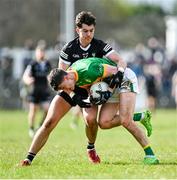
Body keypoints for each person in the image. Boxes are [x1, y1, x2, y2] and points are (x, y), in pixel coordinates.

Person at [20, 11, 153, 166]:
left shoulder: (100, 45)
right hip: (69, 88)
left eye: (91, 31)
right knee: (49, 122)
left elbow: (120, 61)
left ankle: (91, 147)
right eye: (85, 31)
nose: (89, 34)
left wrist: (119, 74)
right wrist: (75, 96)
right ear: (78, 30)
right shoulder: (68, 49)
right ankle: (28, 158)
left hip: (92, 89)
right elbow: (60, 79)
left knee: (90, 119)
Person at [20, 57, 157, 166]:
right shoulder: (71, 78)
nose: (67, 91)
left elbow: (117, 72)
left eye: (64, 87)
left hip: (124, 78)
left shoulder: (88, 70)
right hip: (109, 85)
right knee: (103, 123)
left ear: (67, 77)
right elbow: (84, 87)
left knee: (126, 121)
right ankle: (141, 116)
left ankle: (150, 155)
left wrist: (108, 91)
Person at [22, 45, 52, 138]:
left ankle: (40, 126)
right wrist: (28, 80)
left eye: (42, 52)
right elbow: (25, 76)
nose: (41, 54)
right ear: (36, 53)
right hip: (34, 91)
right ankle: (31, 128)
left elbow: (51, 75)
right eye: (39, 52)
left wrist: (51, 80)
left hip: (44, 91)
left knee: (47, 109)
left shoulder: (47, 64)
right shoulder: (33, 64)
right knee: (33, 110)